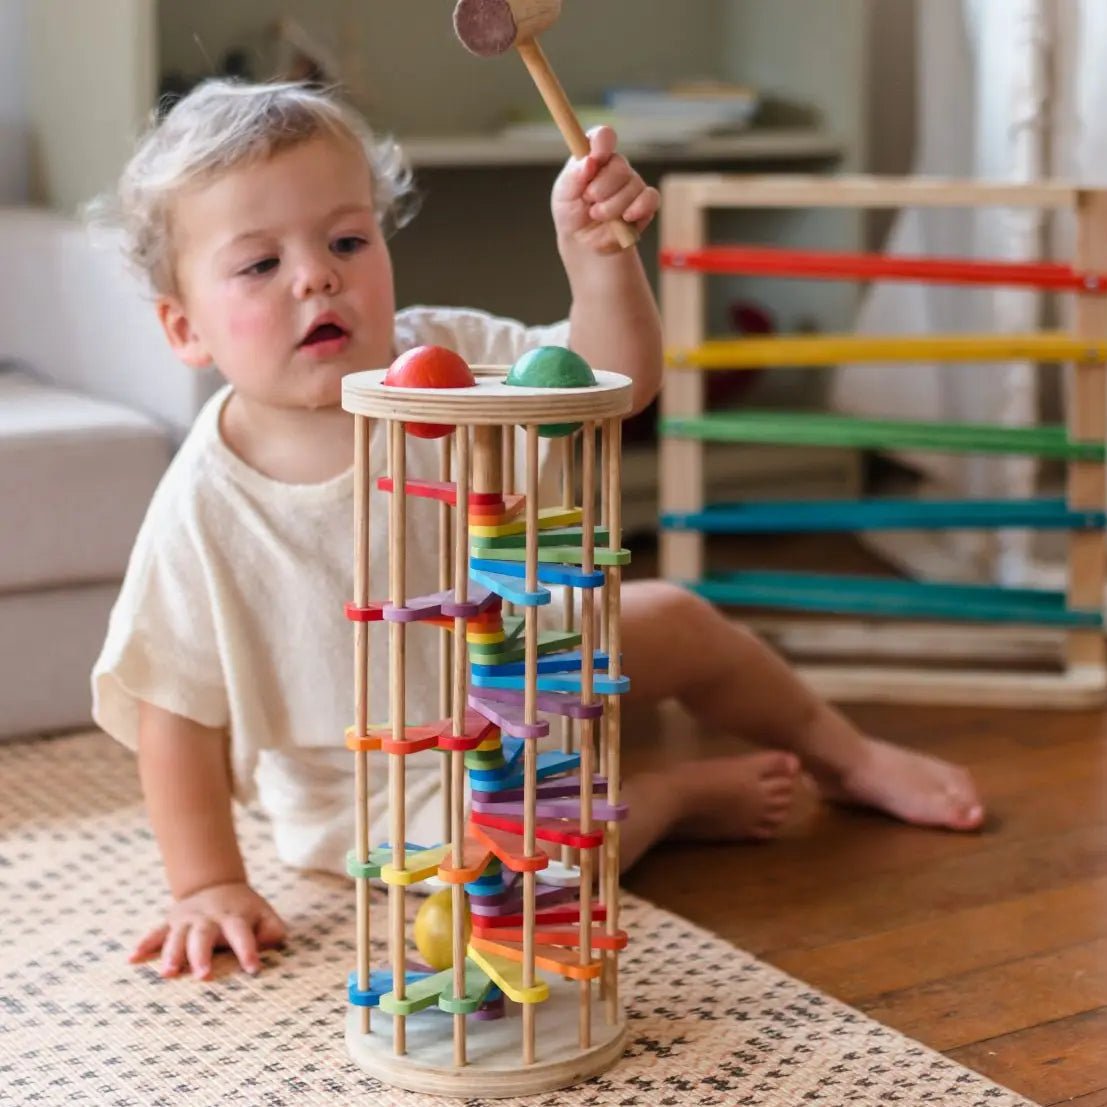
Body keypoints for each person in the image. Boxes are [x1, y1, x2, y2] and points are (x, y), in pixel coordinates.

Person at [91, 79, 984, 983]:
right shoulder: (205, 501)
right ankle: (667, 801)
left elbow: (610, 383)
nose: (316, 275)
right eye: (258, 265)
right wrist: (205, 882)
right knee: (519, 868)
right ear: (184, 327)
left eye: (346, 240)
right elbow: (173, 709)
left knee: (676, 613)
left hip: (525, 675)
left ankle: (847, 755)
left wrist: (596, 256)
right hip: (384, 788)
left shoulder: (446, 357)